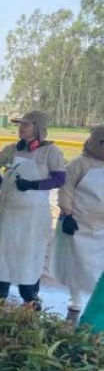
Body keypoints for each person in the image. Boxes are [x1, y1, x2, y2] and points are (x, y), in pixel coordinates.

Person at [0, 111, 65, 310]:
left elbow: (59, 179)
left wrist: (32, 185)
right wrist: (0, 183)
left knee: (30, 252)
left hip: (34, 214)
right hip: (9, 211)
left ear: (38, 128)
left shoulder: (51, 152)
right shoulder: (12, 149)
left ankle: (30, 294)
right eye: (20, 125)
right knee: (5, 248)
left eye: (26, 125)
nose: (21, 128)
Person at [50, 126, 104, 312]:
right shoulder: (78, 164)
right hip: (77, 223)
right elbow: (66, 188)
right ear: (98, 143)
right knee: (75, 262)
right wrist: (67, 213)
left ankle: (94, 299)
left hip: (99, 226)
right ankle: (76, 299)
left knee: (97, 263)